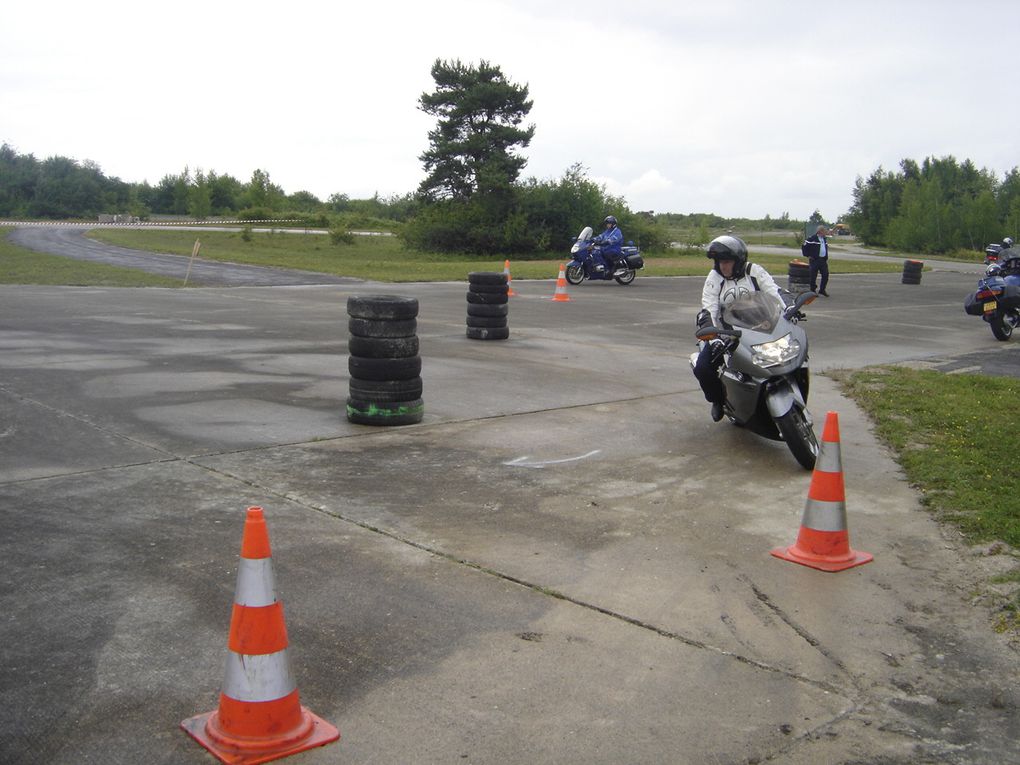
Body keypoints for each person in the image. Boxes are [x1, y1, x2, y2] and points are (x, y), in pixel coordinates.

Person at [693, 235, 785, 422]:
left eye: (726, 262)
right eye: (719, 262)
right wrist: (714, 337)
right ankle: (718, 400)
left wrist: (788, 311)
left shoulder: (754, 271)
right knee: (702, 368)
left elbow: (774, 292)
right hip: (728, 334)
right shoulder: (715, 278)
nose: (722, 267)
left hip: (761, 328)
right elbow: (708, 308)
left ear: (738, 260)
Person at [801, 224, 830, 296]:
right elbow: (804, 246)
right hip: (815, 260)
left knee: (825, 274)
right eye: (824, 231)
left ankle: (822, 290)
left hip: (823, 260)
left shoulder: (824, 239)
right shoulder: (812, 239)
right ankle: (813, 289)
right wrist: (808, 255)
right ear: (820, 231)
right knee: (813, 275)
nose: (826, 233)